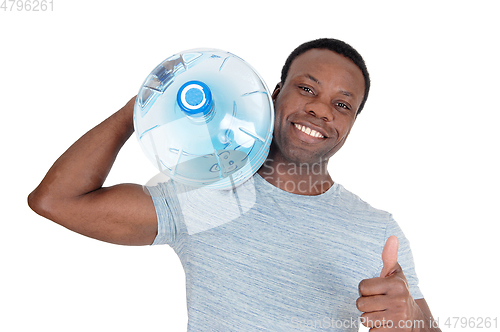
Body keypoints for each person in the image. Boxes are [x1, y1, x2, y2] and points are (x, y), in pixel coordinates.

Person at [28, 38, 441, 331]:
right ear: (275, 93)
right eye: (307, 88)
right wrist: (143, 104)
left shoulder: (377, 230)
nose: (319, 109)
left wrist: (413, 324)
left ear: (351, 124)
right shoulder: (206, 195)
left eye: (342, 104)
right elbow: (56, 201)